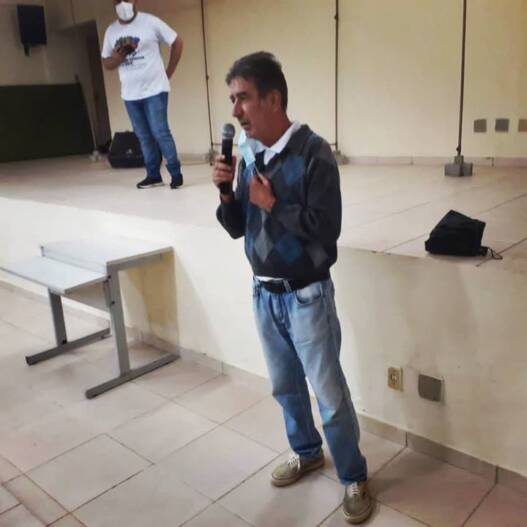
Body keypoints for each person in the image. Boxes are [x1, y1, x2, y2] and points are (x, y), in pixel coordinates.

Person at [212, 51, 373, 525]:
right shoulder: (249, 153)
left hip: (307, 295)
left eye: (243, 98)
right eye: (232, 99)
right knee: (285, 387)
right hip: (264, 294)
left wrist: (272, 204)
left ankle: (353, 475)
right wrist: (227, 193)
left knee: (329, 394)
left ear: (273, 99)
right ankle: (306, 452)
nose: (235, 110)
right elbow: (237, 227)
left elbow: (326, 229)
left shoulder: (313, 152)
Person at [101, 0, 184, 189]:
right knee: (143, 136)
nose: (123, 3)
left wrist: (168, 72)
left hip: (155, 89)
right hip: (130, 94)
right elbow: (106, 62)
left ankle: (175, 173)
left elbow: (177, 41)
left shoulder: (150, 22)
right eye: (118, 0)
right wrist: (117, 58)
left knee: (160, 132)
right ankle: (153, 175)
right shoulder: (111, 31)